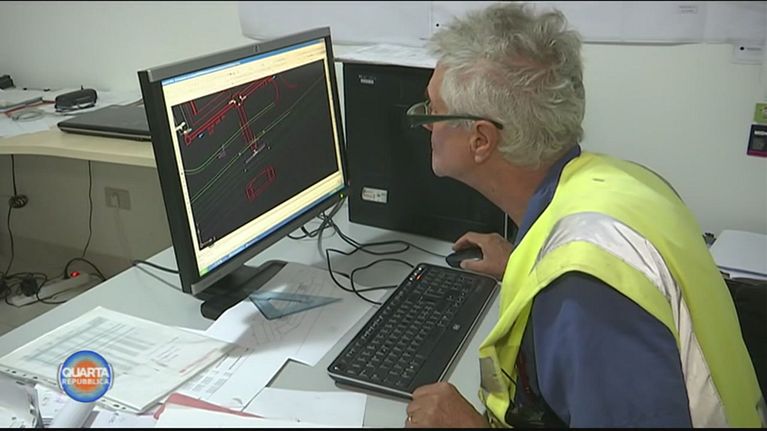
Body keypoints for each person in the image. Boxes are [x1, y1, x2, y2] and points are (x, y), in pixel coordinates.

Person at [403, 2, 765, 428]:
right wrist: (523, 265)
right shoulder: (623, 180)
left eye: (433, 110)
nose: (426, 124)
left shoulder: (585, 291)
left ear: (480, 140)